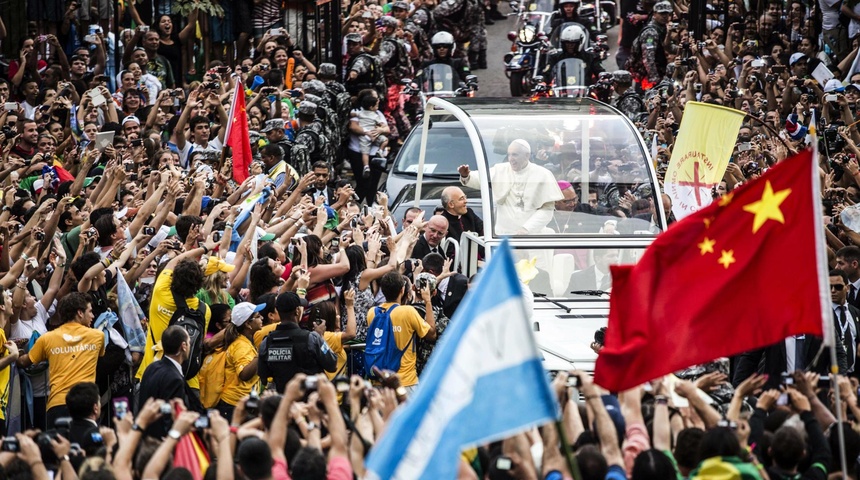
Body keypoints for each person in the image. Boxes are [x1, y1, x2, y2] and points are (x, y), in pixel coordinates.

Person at [17, 293, 104, 427]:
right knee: (87, 446)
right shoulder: (97, 336)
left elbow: (23, 362)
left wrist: (13, 352)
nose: (92, 316)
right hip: (86, 404)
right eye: (90, 311)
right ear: (80, 313)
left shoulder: (47, 338)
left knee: (58, 447)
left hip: (57, 404)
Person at [458, 139, 563, 235]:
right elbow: (481, 178)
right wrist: (466, 175)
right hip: (504, 235)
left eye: (515, 155)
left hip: (533, 236)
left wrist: (527, 229)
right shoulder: (500, 169)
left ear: (527, 155)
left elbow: (547, 210)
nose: (511, 159)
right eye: (509, 155)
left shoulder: (543, 174)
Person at [367, 272, 436, 391]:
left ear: (383, 291)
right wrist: (428, 302)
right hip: (405, 382)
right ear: (402, 290)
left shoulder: (372, 313)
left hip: (379, 382)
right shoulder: (408, 312)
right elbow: (431, 334)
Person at [258, 292, 337, 393]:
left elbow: (263, 377)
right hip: (310, 402)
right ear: (296, 311)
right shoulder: (312, 338)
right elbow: (332, 365)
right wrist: (321, 336)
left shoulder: (266, 342)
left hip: (283, 400)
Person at [138, 326, 202, 437]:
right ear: (184, 346)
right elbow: (170, 419)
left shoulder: (151, 368)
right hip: (162, 443)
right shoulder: (174, 379)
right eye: (189, 342)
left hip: (145, 438)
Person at [217, 302, 264, 420]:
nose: (262, 318)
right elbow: (244, 374)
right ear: (248, 324)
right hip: (234, 405)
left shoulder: (245, 341)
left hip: (241, 403)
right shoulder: (240, 345)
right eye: (258, 316)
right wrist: (261, 354)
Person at [627, 1, 671, 90]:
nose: (665, 16)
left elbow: (666, 47)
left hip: (657, 72)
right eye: (662, 13)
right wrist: (655, 81)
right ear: (654, 14)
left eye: (666, 13)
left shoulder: (662, 28)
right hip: (646, 77)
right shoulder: (651, 32)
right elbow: (648, 59)